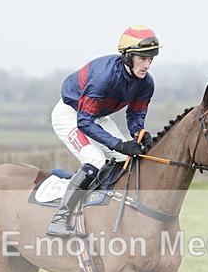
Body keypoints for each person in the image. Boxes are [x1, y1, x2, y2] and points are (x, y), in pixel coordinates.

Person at [46, 25, 161, 237]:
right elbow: (84, 122)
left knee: (125, 159)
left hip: (97, 116)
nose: (147, 65)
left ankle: (103, 209)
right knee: (96, 161)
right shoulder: (103, 76)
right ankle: (59, 219)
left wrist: (138, 134)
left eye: (151, 59)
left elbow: (135, 115)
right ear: (127, 56)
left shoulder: (146, 83)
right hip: (71, 115)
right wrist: (118, 143)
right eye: (142, 59)